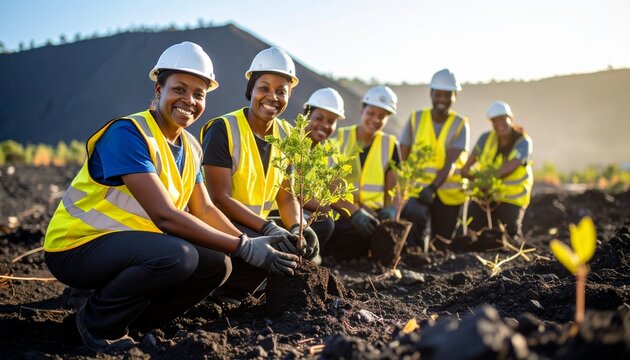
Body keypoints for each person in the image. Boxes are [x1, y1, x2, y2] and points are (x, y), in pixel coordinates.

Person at [43, 42, 299, 353]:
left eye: (199, 94)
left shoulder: (190, 146)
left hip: (131, 247)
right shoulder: (130, 133)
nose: (189, 100)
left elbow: (203, 207)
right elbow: (164, 215)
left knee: (218, 264)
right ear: (159, 89)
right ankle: (97, 322)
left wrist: (252, 241)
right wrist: (243, 245)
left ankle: (136, 324)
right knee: (179, 255)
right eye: (179, 89)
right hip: (77, 247)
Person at [200, 47, 329, 298]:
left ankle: (247, 289)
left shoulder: (287, 135)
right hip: (220, 224)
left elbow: (286, 195)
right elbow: (219, 198)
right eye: (264, 88)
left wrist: (297, 225)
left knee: (296, 242)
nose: (272, 97)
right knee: (276, 250)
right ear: (251, 89)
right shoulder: (223, 128)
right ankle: (221, 294)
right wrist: (270, 229)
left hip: (255, 225)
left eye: (281, 91)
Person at [321, 85, 403, 260]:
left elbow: (395, 188)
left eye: (381, 116)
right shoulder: (340, 139)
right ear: (362, 109)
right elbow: (328, 185)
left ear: (387, 118)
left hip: (373, 217)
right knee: (333, 229)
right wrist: (355, 212)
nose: (375, 119)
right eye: (371, 113)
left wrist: (391, 211)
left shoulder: (390, 145)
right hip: (344, 212)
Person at [399, 69, 470, 249]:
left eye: (447, 95)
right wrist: (401, 185)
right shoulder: (416, 118)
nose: (442, 99)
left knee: (442, 243)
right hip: (418, 190)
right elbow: (403, 155)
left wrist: (433, 187)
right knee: (415, 216)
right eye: (438, 94)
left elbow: (451, 162)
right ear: (431, 94)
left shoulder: (460, 124)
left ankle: (436, 267)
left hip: (448, 192)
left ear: (455, 96)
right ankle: (414, 255)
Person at [461, 100, 533, 238]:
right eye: (495, 121)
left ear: (510, 118)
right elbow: (469, 164)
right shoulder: (486, 138)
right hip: (487, 194)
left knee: (509, 234)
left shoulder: (523, 141)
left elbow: (512, 166)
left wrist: (485, 179)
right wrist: (468, 175)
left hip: (512, 198)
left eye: (502, 119)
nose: (499, 124)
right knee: (474, 225)